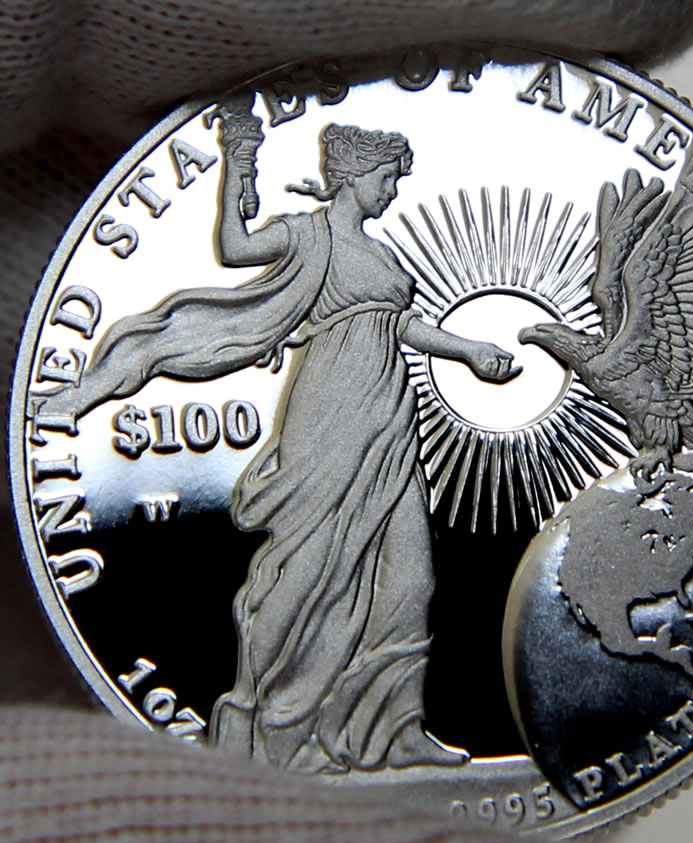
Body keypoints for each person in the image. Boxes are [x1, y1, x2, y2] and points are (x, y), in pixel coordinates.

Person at [32, 120, 521, 772]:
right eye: (385, 179)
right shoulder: (307, 234)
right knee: (312, 562)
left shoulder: (378, 255)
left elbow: (397, 322)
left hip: (388, 413)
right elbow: (234, 248)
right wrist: (240, 160)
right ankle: (278, 724)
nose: (391, 191)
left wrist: (468, 349)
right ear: (352, 177)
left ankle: (392, 728)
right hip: (332, 407)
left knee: (410, 574)